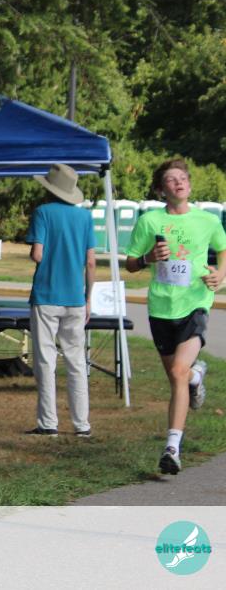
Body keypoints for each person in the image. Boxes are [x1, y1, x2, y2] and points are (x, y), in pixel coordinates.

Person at [126, 158, 225, 474]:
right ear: (160, 189)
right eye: (171, 179)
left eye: (183, 177)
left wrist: (220, 274)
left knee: (178, 372)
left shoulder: (207, 221)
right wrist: (148, 258)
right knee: (178, 376)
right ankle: (197, 376)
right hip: (161, 307)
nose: (179, 182)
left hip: (195, 303)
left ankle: (172, 448)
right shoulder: (149, 221)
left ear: (190, 185)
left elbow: (223, 248)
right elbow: (130, 263)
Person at [24, 163, 96, 438]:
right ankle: (82, 424)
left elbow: (37, 254)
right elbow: (91, 262)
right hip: (75, 298)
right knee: (76, 361)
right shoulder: (85, 218)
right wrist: (88, 298)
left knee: (45, 360)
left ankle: (48, 423)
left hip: (46, 295)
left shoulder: (42, 212)